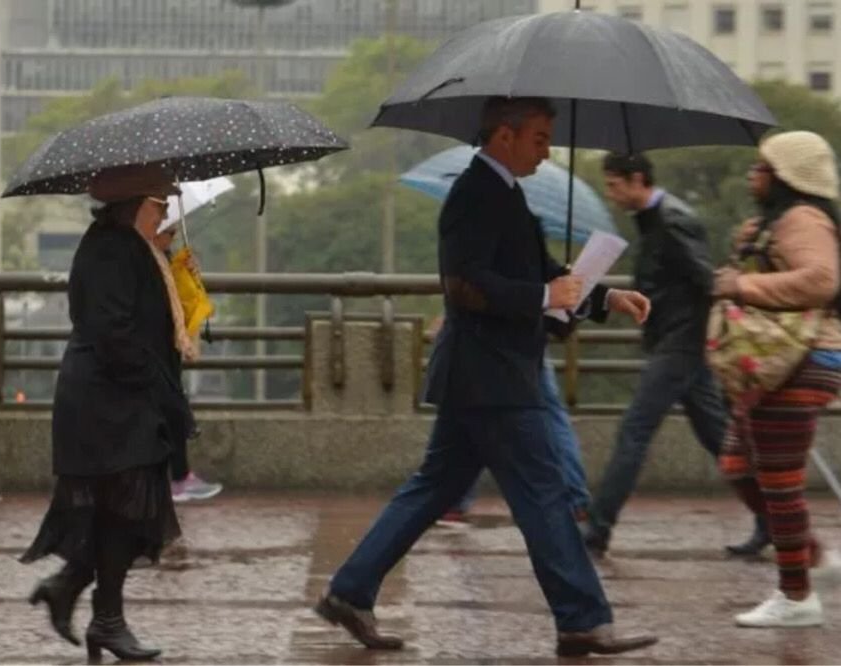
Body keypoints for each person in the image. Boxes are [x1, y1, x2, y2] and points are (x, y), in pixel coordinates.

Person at [314, 96, 657, 657]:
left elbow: (541, 273)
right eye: (541, 138)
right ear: (505, 135)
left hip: (483, 374)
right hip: (492, 374)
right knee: (544, 493)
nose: (548, 152)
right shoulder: (474, 195)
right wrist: (544, 295)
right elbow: (464, 285)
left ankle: (349, 592)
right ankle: (582, 620)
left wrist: (605, 296)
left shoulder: (506, 194)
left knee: (435, 488)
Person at [21, 165, 193, 661]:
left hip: (122, 401)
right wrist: (156, 388)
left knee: (119, 513)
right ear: (135, 206)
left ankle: (80, 596)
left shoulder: (136, 250)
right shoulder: (110, 250)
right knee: (122, 512)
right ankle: (102, 616)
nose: (168, 217)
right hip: (106, 403)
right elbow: (113, 332)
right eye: (161, 207)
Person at [582, 153, 746, 557]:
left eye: (614, 184)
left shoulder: (673, 220)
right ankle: (775, 520)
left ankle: (598, 529)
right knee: (721, 439)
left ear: (637, 180)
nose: (611, 193)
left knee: (634, 431)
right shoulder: (656, 220)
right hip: (675, 344)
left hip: (679, 345)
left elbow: (705, 280)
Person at [713, 131, 841, 627]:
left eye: (762, 168)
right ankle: (809, 556)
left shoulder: (802, 219)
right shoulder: (777, 222)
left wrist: (743, 284)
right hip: (776, 363)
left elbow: (822, 279)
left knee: (779, 482)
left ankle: (796, 596)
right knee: (739, 467)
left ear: (785, 176)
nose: (753, 175)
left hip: (799, 360)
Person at [437, 351, 591, 528]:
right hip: (529, 341)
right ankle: (574, 499)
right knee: (551, 417)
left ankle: (453, 499)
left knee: (471, 409)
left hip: (491, 343)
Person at [152, 215, 223, 503]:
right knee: (169, 411)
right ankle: (176, 479)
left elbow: (180, 301)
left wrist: (187, 273)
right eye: (166, 231)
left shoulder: (165, 259)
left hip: (167, 345)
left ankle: (179, 477)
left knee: (173, 410)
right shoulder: (140, 258)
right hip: (152, 347)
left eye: (172, 231)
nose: (172, 236)